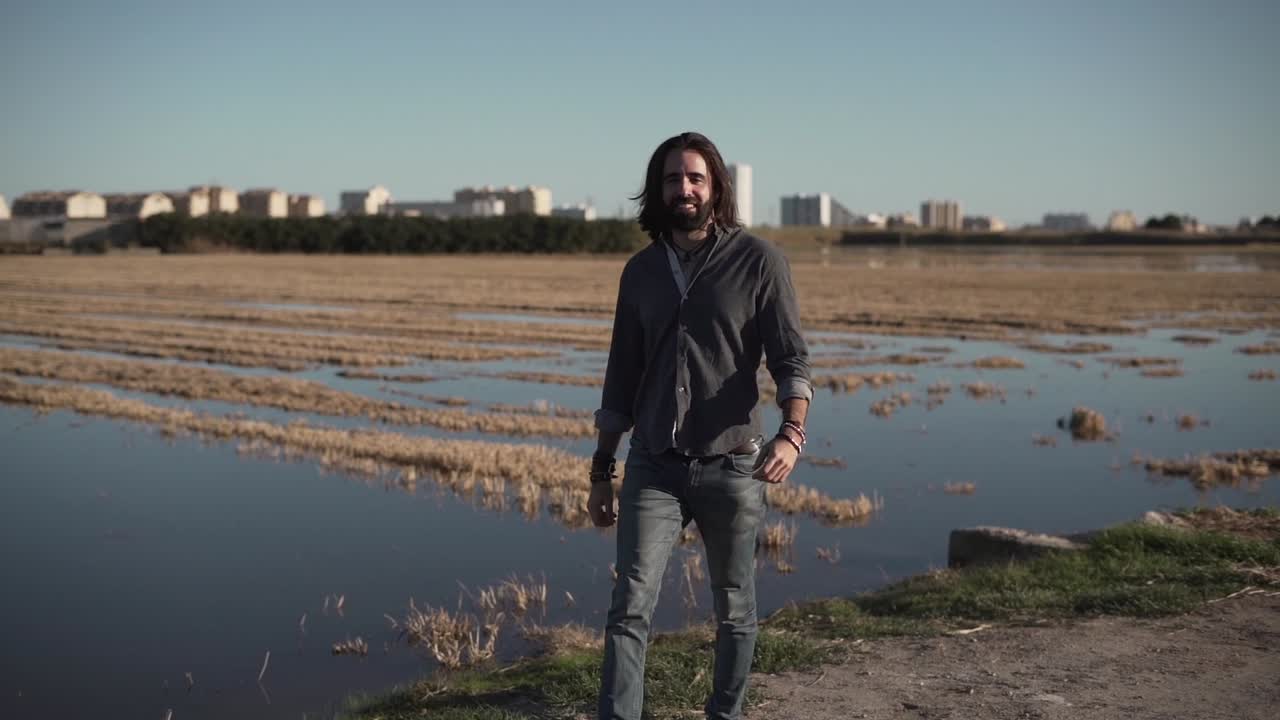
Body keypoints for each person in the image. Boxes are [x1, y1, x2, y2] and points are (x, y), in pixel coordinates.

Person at [589, 131, 812, 720]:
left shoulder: (759, 261)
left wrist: (792, 433)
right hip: (653, 465)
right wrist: (601, 468)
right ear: (656, 191)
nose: (683, 188)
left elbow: (791, 359)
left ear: (715, 187)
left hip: (734, 462)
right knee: (629, 606)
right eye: (671, 179)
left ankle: (726, 714)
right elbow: (621, 377)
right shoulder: (639, 272)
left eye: (694, 178)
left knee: (735, 607)